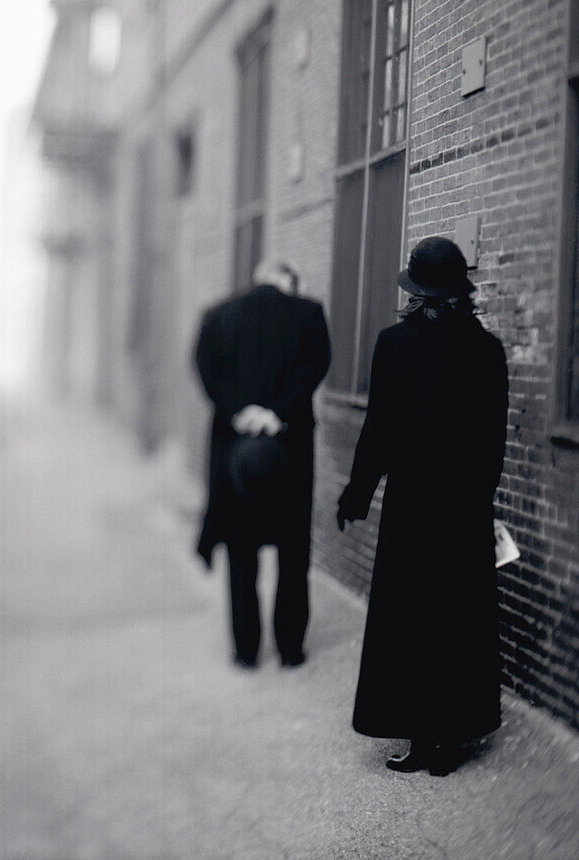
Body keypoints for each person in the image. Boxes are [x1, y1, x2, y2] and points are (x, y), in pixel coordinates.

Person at [336, 236, 508, 775]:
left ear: (415, 291)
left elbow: (379, 431)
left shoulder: (394, 344)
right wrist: (480, 499)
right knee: (457, 615)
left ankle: (415, 739)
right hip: (463, 504)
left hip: (412, 502)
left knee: (409, 617)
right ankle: (449, 743)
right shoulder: (487, 351)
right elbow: (493, 440)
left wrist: (358, 493)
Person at [194, 259, 330, 669]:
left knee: (241, 553)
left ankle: (246, 649)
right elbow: (316, 364)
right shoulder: (308, 313)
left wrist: (241, 412)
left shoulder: (217, 315)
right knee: (292, 554)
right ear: (288, 281)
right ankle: (290, 649)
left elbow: (205, 369)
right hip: (290, 452)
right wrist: (277, 414)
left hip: (236, 455)